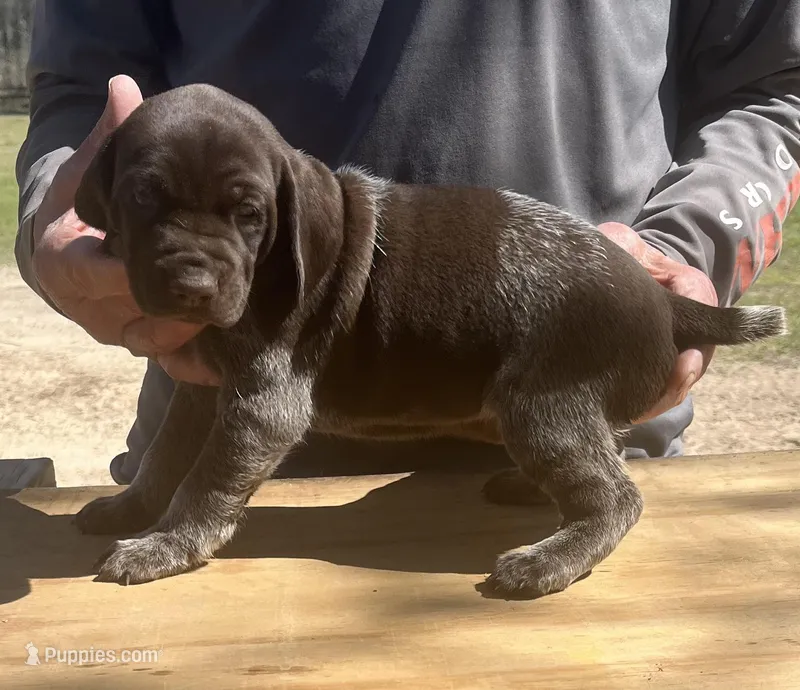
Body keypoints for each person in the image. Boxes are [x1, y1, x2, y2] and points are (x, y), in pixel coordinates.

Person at [15, 2, 800, 484]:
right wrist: (61, 226)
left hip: (585, 419)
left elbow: (778, 89)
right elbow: (84, 94)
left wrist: (691, 244)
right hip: (222, 432)